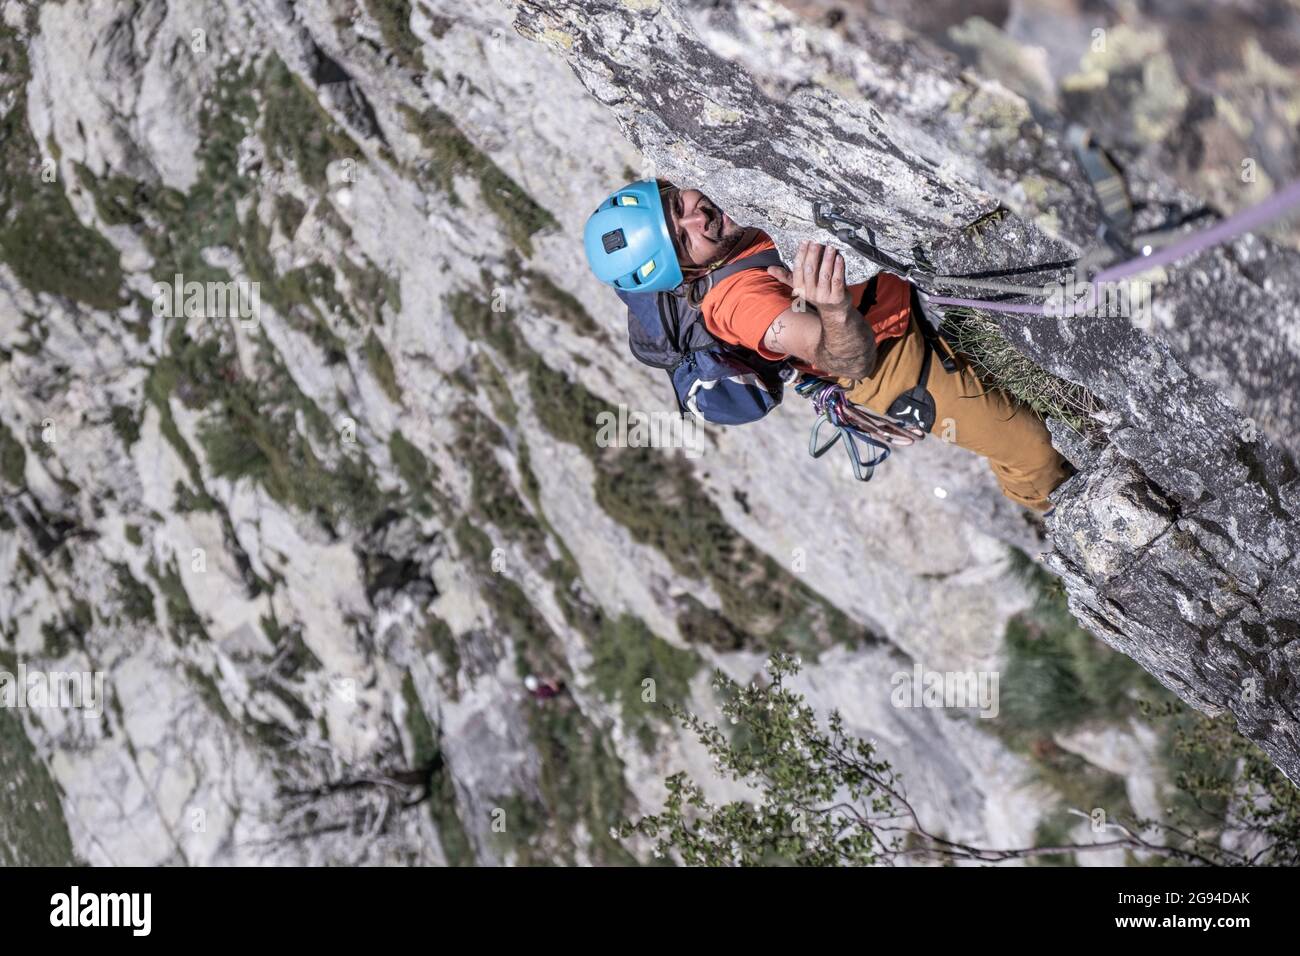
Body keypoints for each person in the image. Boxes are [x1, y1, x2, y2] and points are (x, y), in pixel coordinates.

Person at [582, 179, 1070, 512]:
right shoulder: (736, 303)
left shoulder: (720, 188)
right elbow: (848, 358)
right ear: (690, 273)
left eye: (676, 207)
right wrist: (833, 309)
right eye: (686, 243)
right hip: (887, 359)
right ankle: (1056, 510)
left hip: (891, 291)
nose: (699, 218)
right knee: (1029, 448)